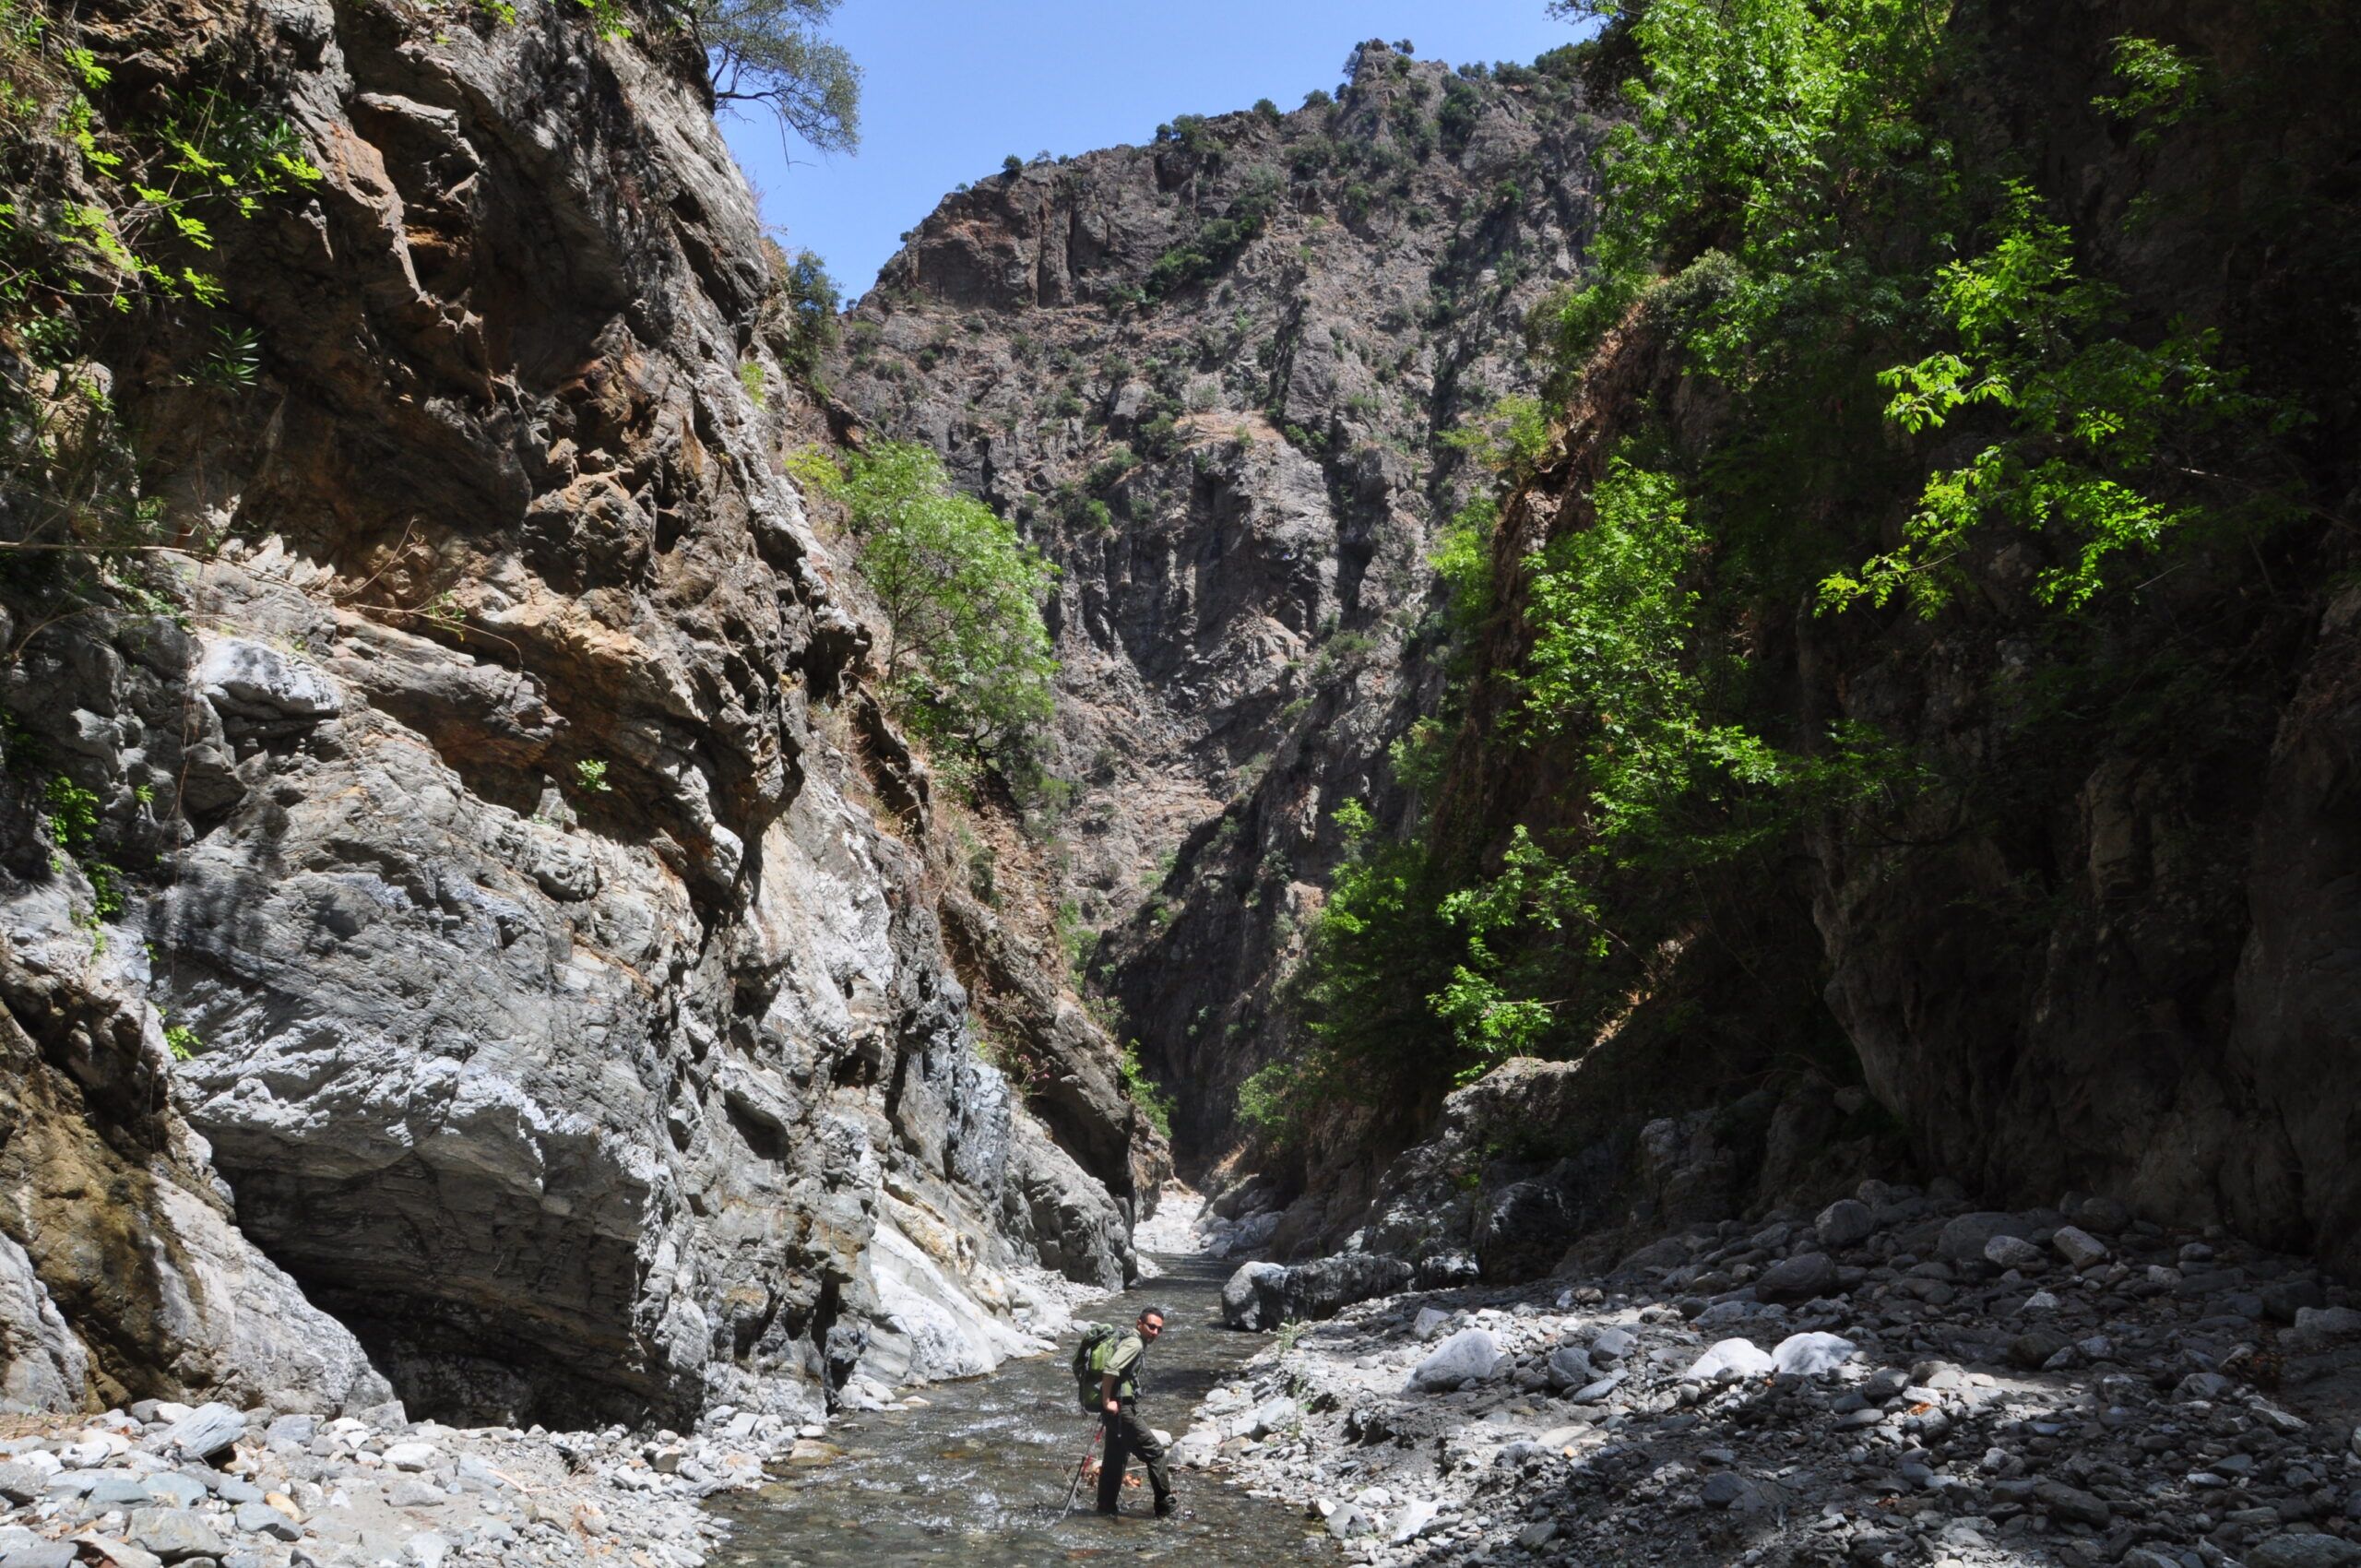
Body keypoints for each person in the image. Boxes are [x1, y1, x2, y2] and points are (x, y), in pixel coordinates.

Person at [1095, 1305, 1175, 1518]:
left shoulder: (1130, 1339)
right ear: (1139, 1324)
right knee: (1156, 1453)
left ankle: (1105, 1509)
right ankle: (1165, 1508)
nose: (1155, 1333)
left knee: (1115, 1459)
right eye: (1151, 1327)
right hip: (1121, 1410)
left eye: (1159, 1329)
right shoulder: (1134, 1343)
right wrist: (1106, 1401)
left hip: (1117, 1411)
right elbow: (1111, 1368)